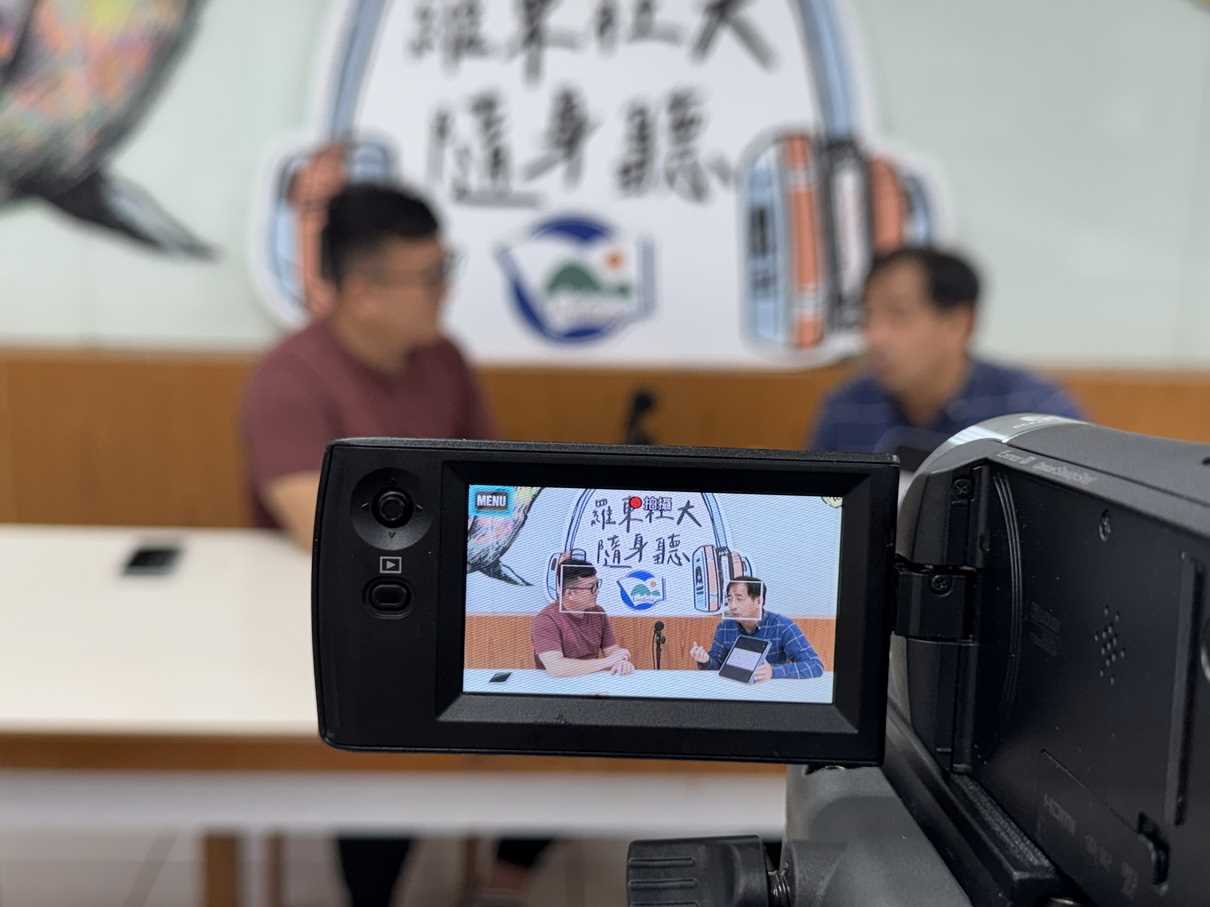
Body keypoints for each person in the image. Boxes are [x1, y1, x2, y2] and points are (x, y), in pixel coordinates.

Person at [241, 183, 545, 907]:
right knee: (386, 730)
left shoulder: (443, 361)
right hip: (331, 626)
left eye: (445, 269)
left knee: (566, 692)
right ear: (362, 291)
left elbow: (498, 493)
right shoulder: (288, 378)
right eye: (430, 276)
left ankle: (506, 878)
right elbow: (317, 526)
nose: (446, 291)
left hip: (451, 602)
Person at [808, 246, 1084, 461]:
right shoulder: (846, 408)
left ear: (958, 324)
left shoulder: (1032, 409)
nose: (874, 336)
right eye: (867, 316)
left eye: (898, 315)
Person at [689, 577, 824, 681]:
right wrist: (705, 660)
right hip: (734, 691)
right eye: (729, 599)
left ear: (759, 601)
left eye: (739, 599)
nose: (732, 606)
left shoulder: (782, 625)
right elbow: (717, 666)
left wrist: (774, 672)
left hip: (770, 693)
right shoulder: (725, 626)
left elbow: (815, 665)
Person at [532, 558, 635, 677]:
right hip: (556, 684)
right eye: (591, 588)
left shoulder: (598, 612)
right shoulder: (546, 619)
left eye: (597, 585)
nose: (597, 592)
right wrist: (608, 661)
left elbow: (611, 649)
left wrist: (620, 660)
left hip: (590, 680)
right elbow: (556, 668)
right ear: (570, 593)